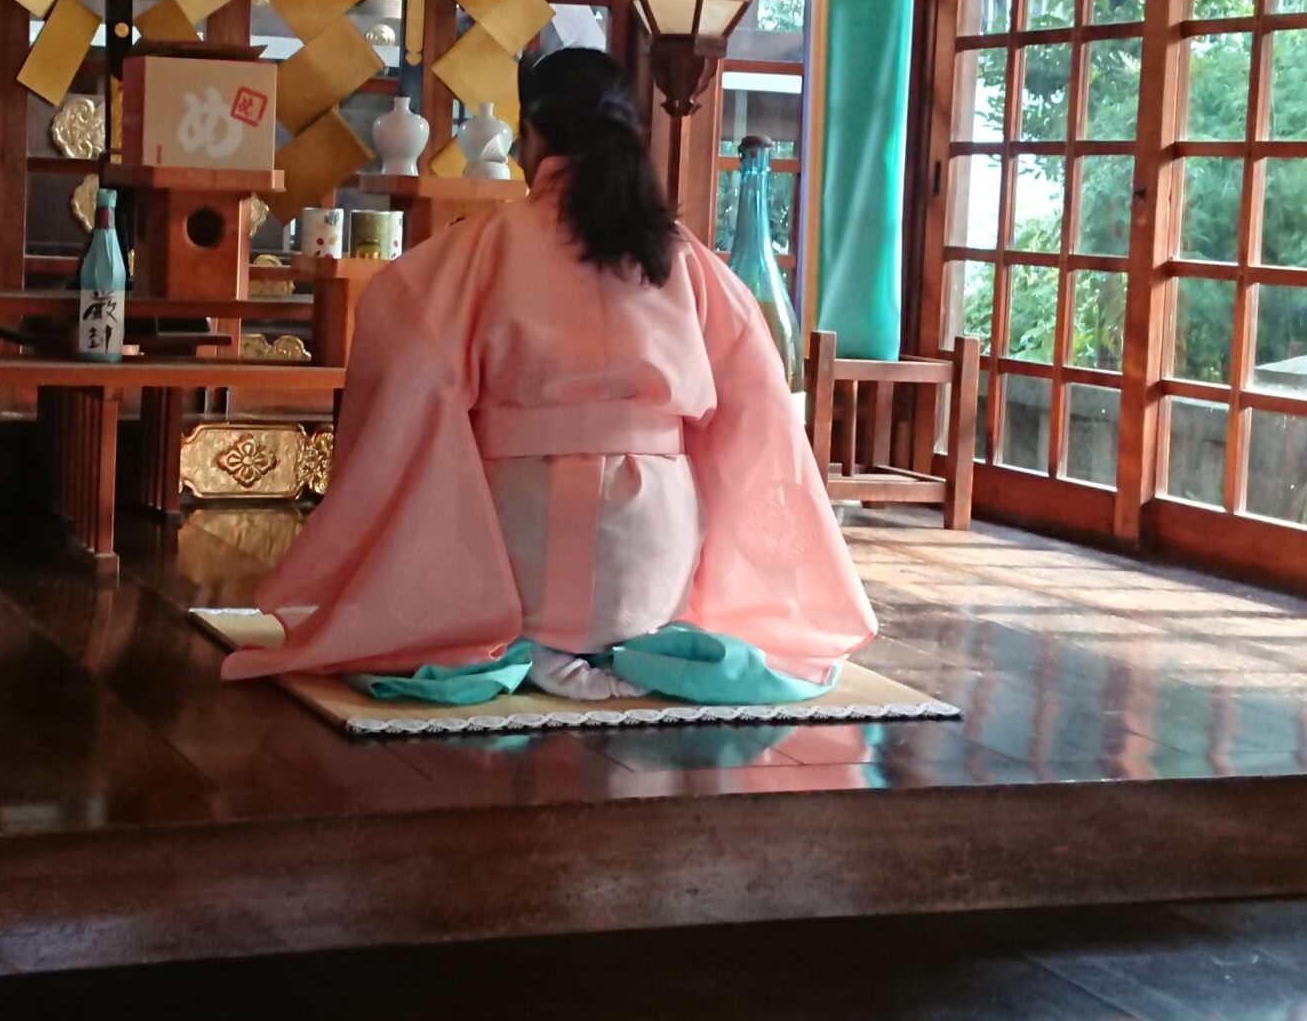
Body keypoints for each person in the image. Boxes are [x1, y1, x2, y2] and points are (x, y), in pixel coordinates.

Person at [221, 48, 876, 706]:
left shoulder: (486, 244)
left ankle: (513, 629)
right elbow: (756, 400)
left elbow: (401, 320)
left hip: (517, 554)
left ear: (532, 134)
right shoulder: (680, 256)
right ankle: (632, 632)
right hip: (653, 565)